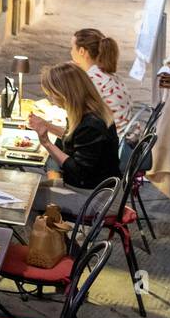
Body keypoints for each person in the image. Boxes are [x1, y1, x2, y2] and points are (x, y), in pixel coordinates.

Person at [28, 62, 121, 194]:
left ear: (64, 93)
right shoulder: (89, 111)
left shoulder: (91, 125)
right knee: (36, 183)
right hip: (95, 187)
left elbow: (79, 172)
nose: (51, 98)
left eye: (51, 93)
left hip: (94, 196)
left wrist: (46, 142)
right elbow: (74, 138)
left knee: (29, 195)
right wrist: (46, 125)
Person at [69, 28, 133, 133]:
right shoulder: (107, 74)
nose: (71, 52)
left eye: (72, 48)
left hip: (112, 142)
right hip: (127, 138)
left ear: (81, 51)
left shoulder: (91, 80)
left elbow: (75, 118)